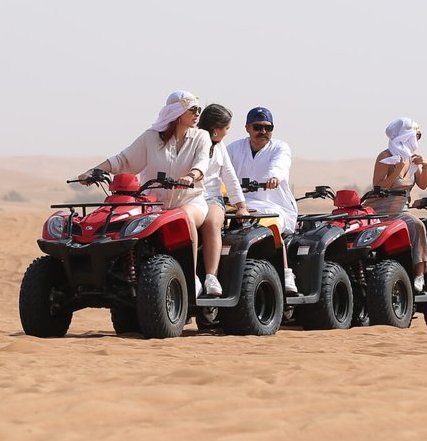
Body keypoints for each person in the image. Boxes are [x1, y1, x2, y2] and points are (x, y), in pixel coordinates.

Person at [79, 91, 213, 294]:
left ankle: (190, 277)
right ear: (177, 112)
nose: (197, 114)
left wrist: (191, 176)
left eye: (198, 109)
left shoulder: (201, 137)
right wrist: (95, 171)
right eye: (193, 109)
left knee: (185, 218)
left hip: (190, 200)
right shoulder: (150, 138)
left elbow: (202, 162)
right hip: (153, 205)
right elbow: (123, 160)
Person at [225, 106, 298, 294]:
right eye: (257, 127)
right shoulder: (233, 148)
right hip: (239, 205)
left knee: (269, 225)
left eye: (268, 127)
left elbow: (280, 165)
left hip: (273, 206)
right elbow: (219, 168)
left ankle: (286, 273)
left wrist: (273, 177)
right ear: (247, 128)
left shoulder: (280, 147)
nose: (263, 132)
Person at [370, 117, 427, 292]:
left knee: (418, 226)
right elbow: (378, 186)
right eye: (415, 136)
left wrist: (426, 168)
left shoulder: (412, 159)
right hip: (380, 208)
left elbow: (423, 185)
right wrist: (396, 172)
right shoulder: (386, 157)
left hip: (400, 209)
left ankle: (419, 275)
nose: (417, 140)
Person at [196, 104, 249, 298]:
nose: (227, 133)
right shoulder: (190, 141)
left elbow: (229, 175)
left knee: (211, 223)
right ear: (216, 129)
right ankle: (190, 277)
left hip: (211, 197)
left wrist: (241, 206)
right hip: (189, 197)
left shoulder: (220, 147)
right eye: (226, 128)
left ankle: (211, 276)